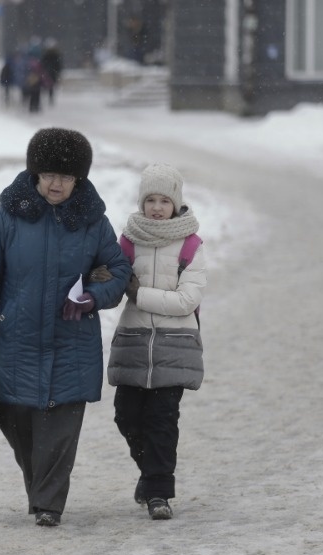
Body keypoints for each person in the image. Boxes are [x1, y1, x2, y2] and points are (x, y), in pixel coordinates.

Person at [0, 128, 132, 527]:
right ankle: (40, 487)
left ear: (79, 179)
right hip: (16, 339)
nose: (56, 184)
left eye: (66, 176)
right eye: (49, 174)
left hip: (71, 342)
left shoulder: (92, 221)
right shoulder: (6, 217)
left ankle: (49, 503)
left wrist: (93, 296)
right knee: (17, 425)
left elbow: (119, 269)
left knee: (60, 429)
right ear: (35, 173)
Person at [107, 163, 207, 521]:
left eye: (164, 200)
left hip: (174, 344)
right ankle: (151, 475)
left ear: (176, 203)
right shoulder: (128, 240)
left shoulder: (191, 245)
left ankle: (159, 494)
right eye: (150, 199)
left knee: (162, 420)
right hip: (134, 341)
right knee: (126, 415)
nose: (156, 207)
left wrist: (140, 293)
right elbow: (114, 282)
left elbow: (186, 301)